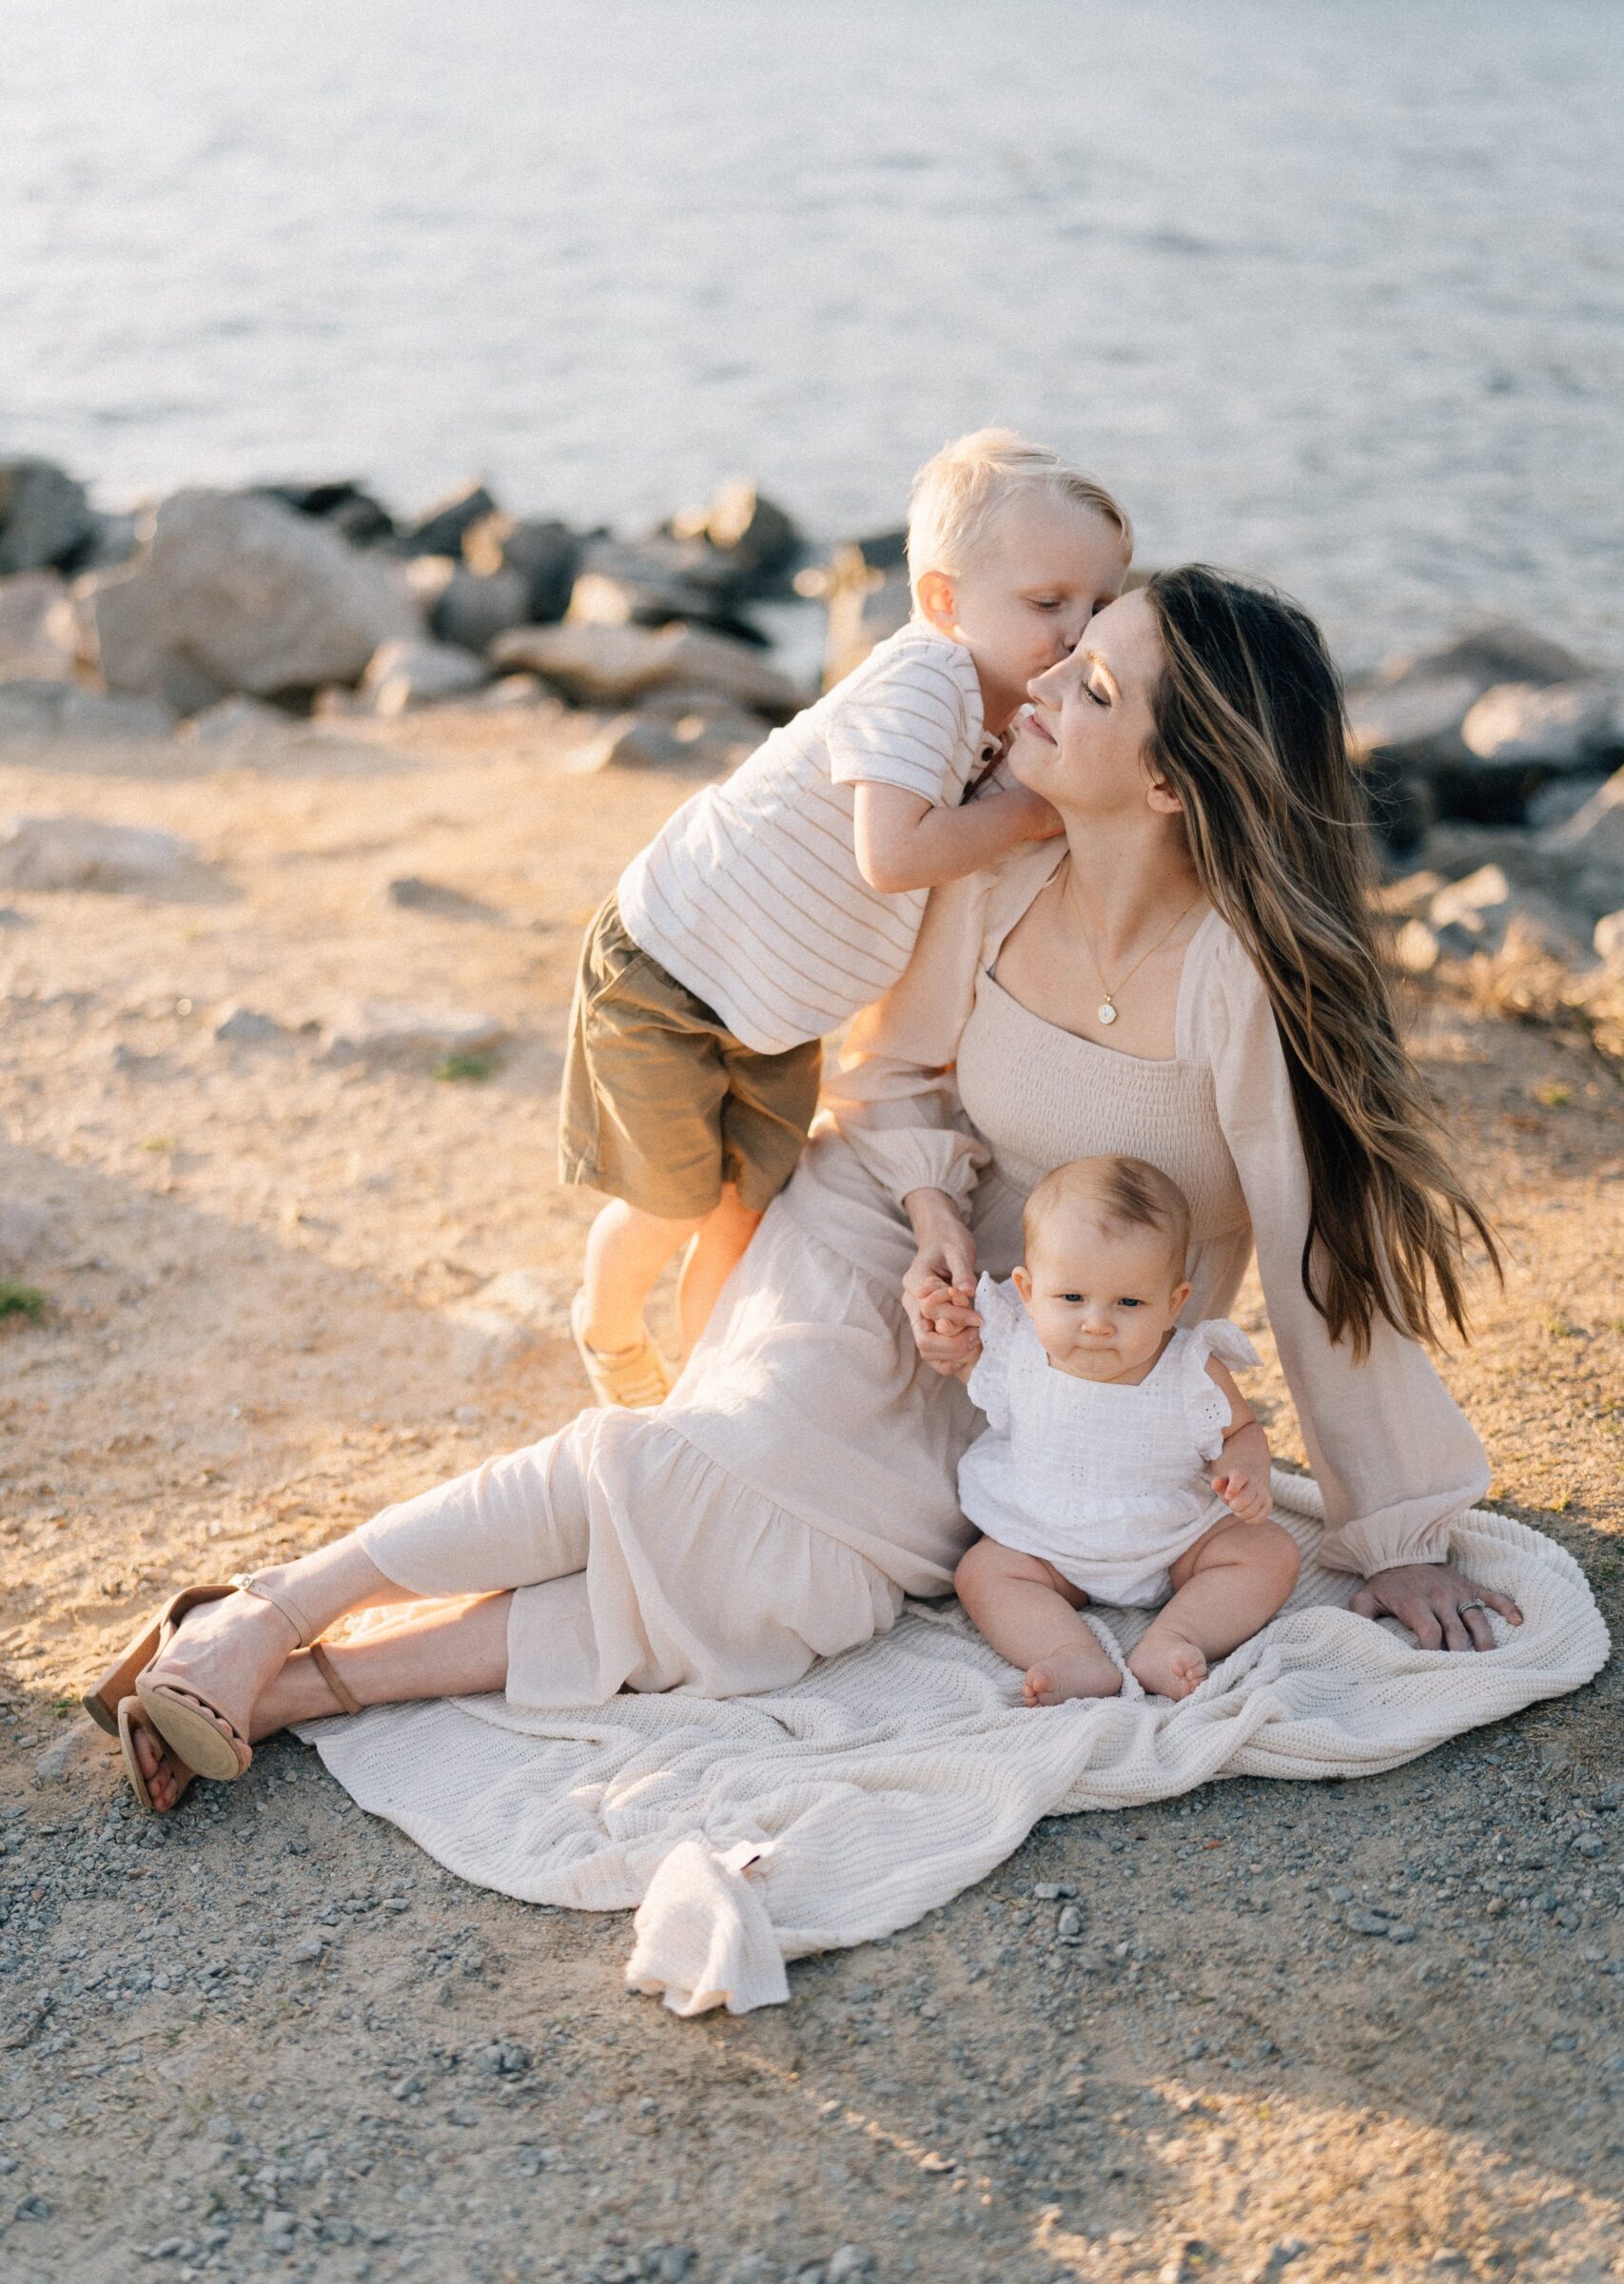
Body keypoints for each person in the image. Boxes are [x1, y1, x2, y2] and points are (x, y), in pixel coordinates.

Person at [88, 565, 1522, 1819]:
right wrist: (931, 1224)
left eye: (1087, 684)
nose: (1040, 679)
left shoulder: (1237, 982)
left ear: (1164, 782)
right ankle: (279, 1616)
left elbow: (1315, 1245)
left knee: (795, 1586)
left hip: (1066, 1345)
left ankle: (286, 1687)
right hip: (890, 1235)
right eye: (1064, 646)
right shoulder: (995, 869)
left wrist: (1387, 1535)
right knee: (715, 1459)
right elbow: (888, 1085)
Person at [560, 429, 1130, 1406]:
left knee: (747, 1214)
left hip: (778, 1011)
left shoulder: (997, 714)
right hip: (672, 970)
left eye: (1101, 605)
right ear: (945, 601)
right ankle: (607, 1332)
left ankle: (709, 1402)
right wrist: (1032, 811)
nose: (1079, 630)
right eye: (1047, 604)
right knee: (675, 1202)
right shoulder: (927, 679)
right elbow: (895, 851)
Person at [949, 1154, 1300, 1705]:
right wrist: (950, 1337)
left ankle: (1177, 1636)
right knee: (983, 1572)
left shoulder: (1190, 1369)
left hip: (1174, 1539)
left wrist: (1244, 1469)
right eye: (1071, 1298)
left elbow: (1242, 1430)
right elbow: (972, 1374)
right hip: (1046, 1540)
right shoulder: (1015, 1347)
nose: (1096, 1323)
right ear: (1026, 1290)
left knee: (1269, 1552)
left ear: (1173, 1303)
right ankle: (1069, 1652)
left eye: (1129, 1302)